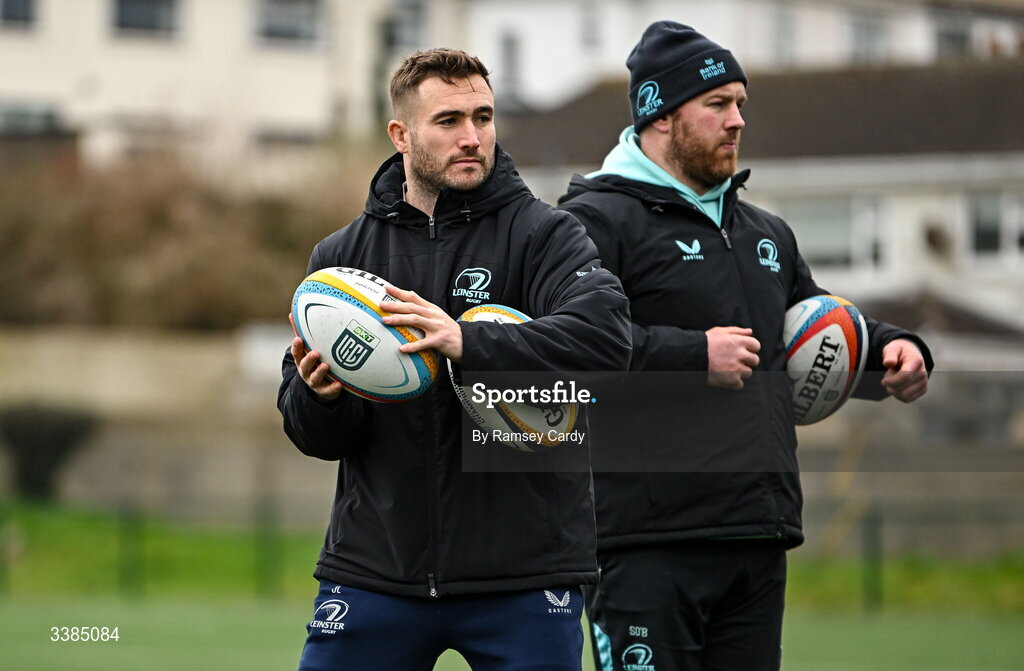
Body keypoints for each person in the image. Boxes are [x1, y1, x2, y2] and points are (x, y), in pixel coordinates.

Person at [557, 21, 932, 671]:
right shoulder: (593, 221)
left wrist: (895, 350)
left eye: (741, 104)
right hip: (646, 544)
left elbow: (816, 321)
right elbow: (575, 350)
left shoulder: (766, 231)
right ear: (663, 116)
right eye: (718, 104)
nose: (737, 121)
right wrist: (694, 355)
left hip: (756, 536)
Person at [278, 48, 631, 671]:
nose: (472, 137)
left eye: (483, 117)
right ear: (402, 135)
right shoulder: (341, 263)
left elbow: (607, 340)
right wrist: (319, 396)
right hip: (377, 570)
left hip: (522, 577)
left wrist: (470, 344)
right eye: (449, 121)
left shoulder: (544, 235)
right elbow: (315, 437)